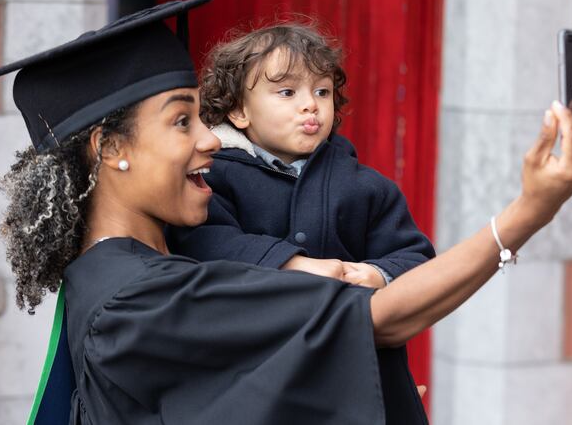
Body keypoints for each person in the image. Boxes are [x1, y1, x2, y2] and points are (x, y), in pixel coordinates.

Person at [0, 0, 572, 425]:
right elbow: (381, 318)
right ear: (110, 147)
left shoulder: (116, 273)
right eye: (183, 120)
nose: (209, 139)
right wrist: (533, 207)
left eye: (203, 115)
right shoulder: (143, 297)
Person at [165, 23, 437, 422]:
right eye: (287, 92)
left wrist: (377, 274)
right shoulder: (213, 176)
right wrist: (293, 264)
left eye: (321, 92)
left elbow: (416, 256)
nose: (310, 105)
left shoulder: (364, 186)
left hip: (352, 371)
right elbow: (203, 241)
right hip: (257, 371)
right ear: (239, 110)